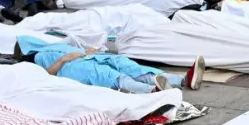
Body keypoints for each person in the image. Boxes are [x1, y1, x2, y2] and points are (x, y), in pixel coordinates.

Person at [18, 36, 172, 93]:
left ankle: (172, 79)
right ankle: (151, 89)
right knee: (109, 75)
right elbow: (46, 75)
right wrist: (63, 60)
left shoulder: (53, 46)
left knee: (123, 63)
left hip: (88, 58)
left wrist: (88, 51)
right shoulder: (39, 56)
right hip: (72, 68)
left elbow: (78, 51)